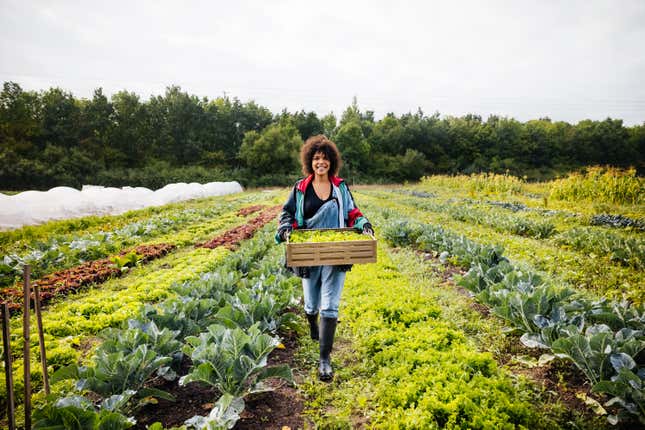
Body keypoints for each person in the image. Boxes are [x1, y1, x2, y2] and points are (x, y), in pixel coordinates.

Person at [275, 134, 373, 381]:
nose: (321, 163)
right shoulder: (300, 188)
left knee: (330, 305)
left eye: (325, 158)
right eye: (317, 158)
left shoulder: (340, 187)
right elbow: (286, 213)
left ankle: (324, 360)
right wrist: (286, 229)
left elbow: (352, 212)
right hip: (308, 253)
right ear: (311, 161)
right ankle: (311, 322)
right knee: (311, 303)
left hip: (336, 251)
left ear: (332, 162)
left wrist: (363, 223)